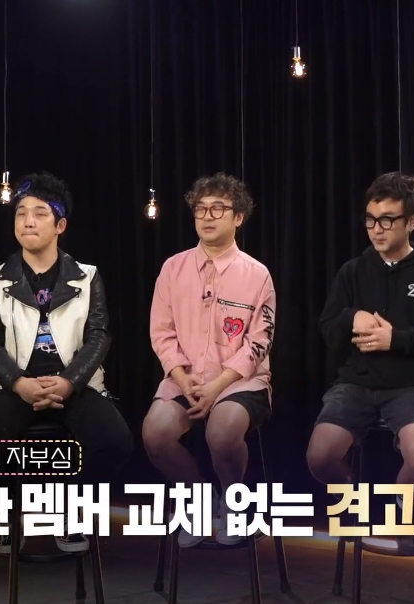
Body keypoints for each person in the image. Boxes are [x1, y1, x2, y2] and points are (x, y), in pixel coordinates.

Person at [0, 171, 133, 554]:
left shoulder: (87, 277)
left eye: (39, 213)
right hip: (12, 384)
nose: (28, 221)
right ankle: (9, 511)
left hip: (74, 383)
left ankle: (69, 508)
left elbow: (99, 335)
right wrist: (18, 382)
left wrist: (70, 381)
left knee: (116, 442)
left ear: (60, 225)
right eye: (21, 213)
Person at [308, 172, 414, 555]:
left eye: (387, 220)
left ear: (410, 222)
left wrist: (397, 339)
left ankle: (404, 510)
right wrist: (352, 318)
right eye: (370, 219)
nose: (376, 229)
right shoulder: (353, 271)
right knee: (320, 456)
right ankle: (357, 504)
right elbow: (328, 330)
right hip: (357, 384)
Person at [142, 172, 276, 547]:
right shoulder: (173, 268)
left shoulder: (257, 274)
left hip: (239, 381)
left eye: (218, 208)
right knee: (155, 433)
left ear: (238, 217)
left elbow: (259, 341)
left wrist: (217, 385)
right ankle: (200, 500)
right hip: (185, 377)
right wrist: (181, 377)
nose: (207, 216)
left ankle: (234, 501)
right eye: (201, 208)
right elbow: (161, 331)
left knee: (222, 431)